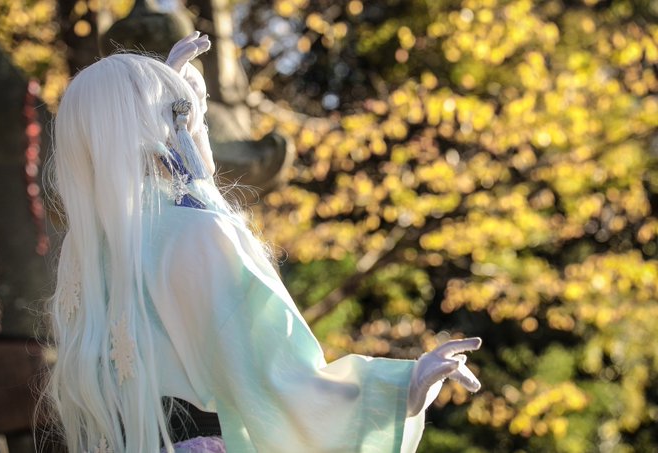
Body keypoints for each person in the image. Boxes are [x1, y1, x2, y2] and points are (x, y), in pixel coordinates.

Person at [43, 32, 482, 453]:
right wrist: (402, 388)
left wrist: (163, 100)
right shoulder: (198, 233)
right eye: (183, 117)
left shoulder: (83, 254)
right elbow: (276, 372)